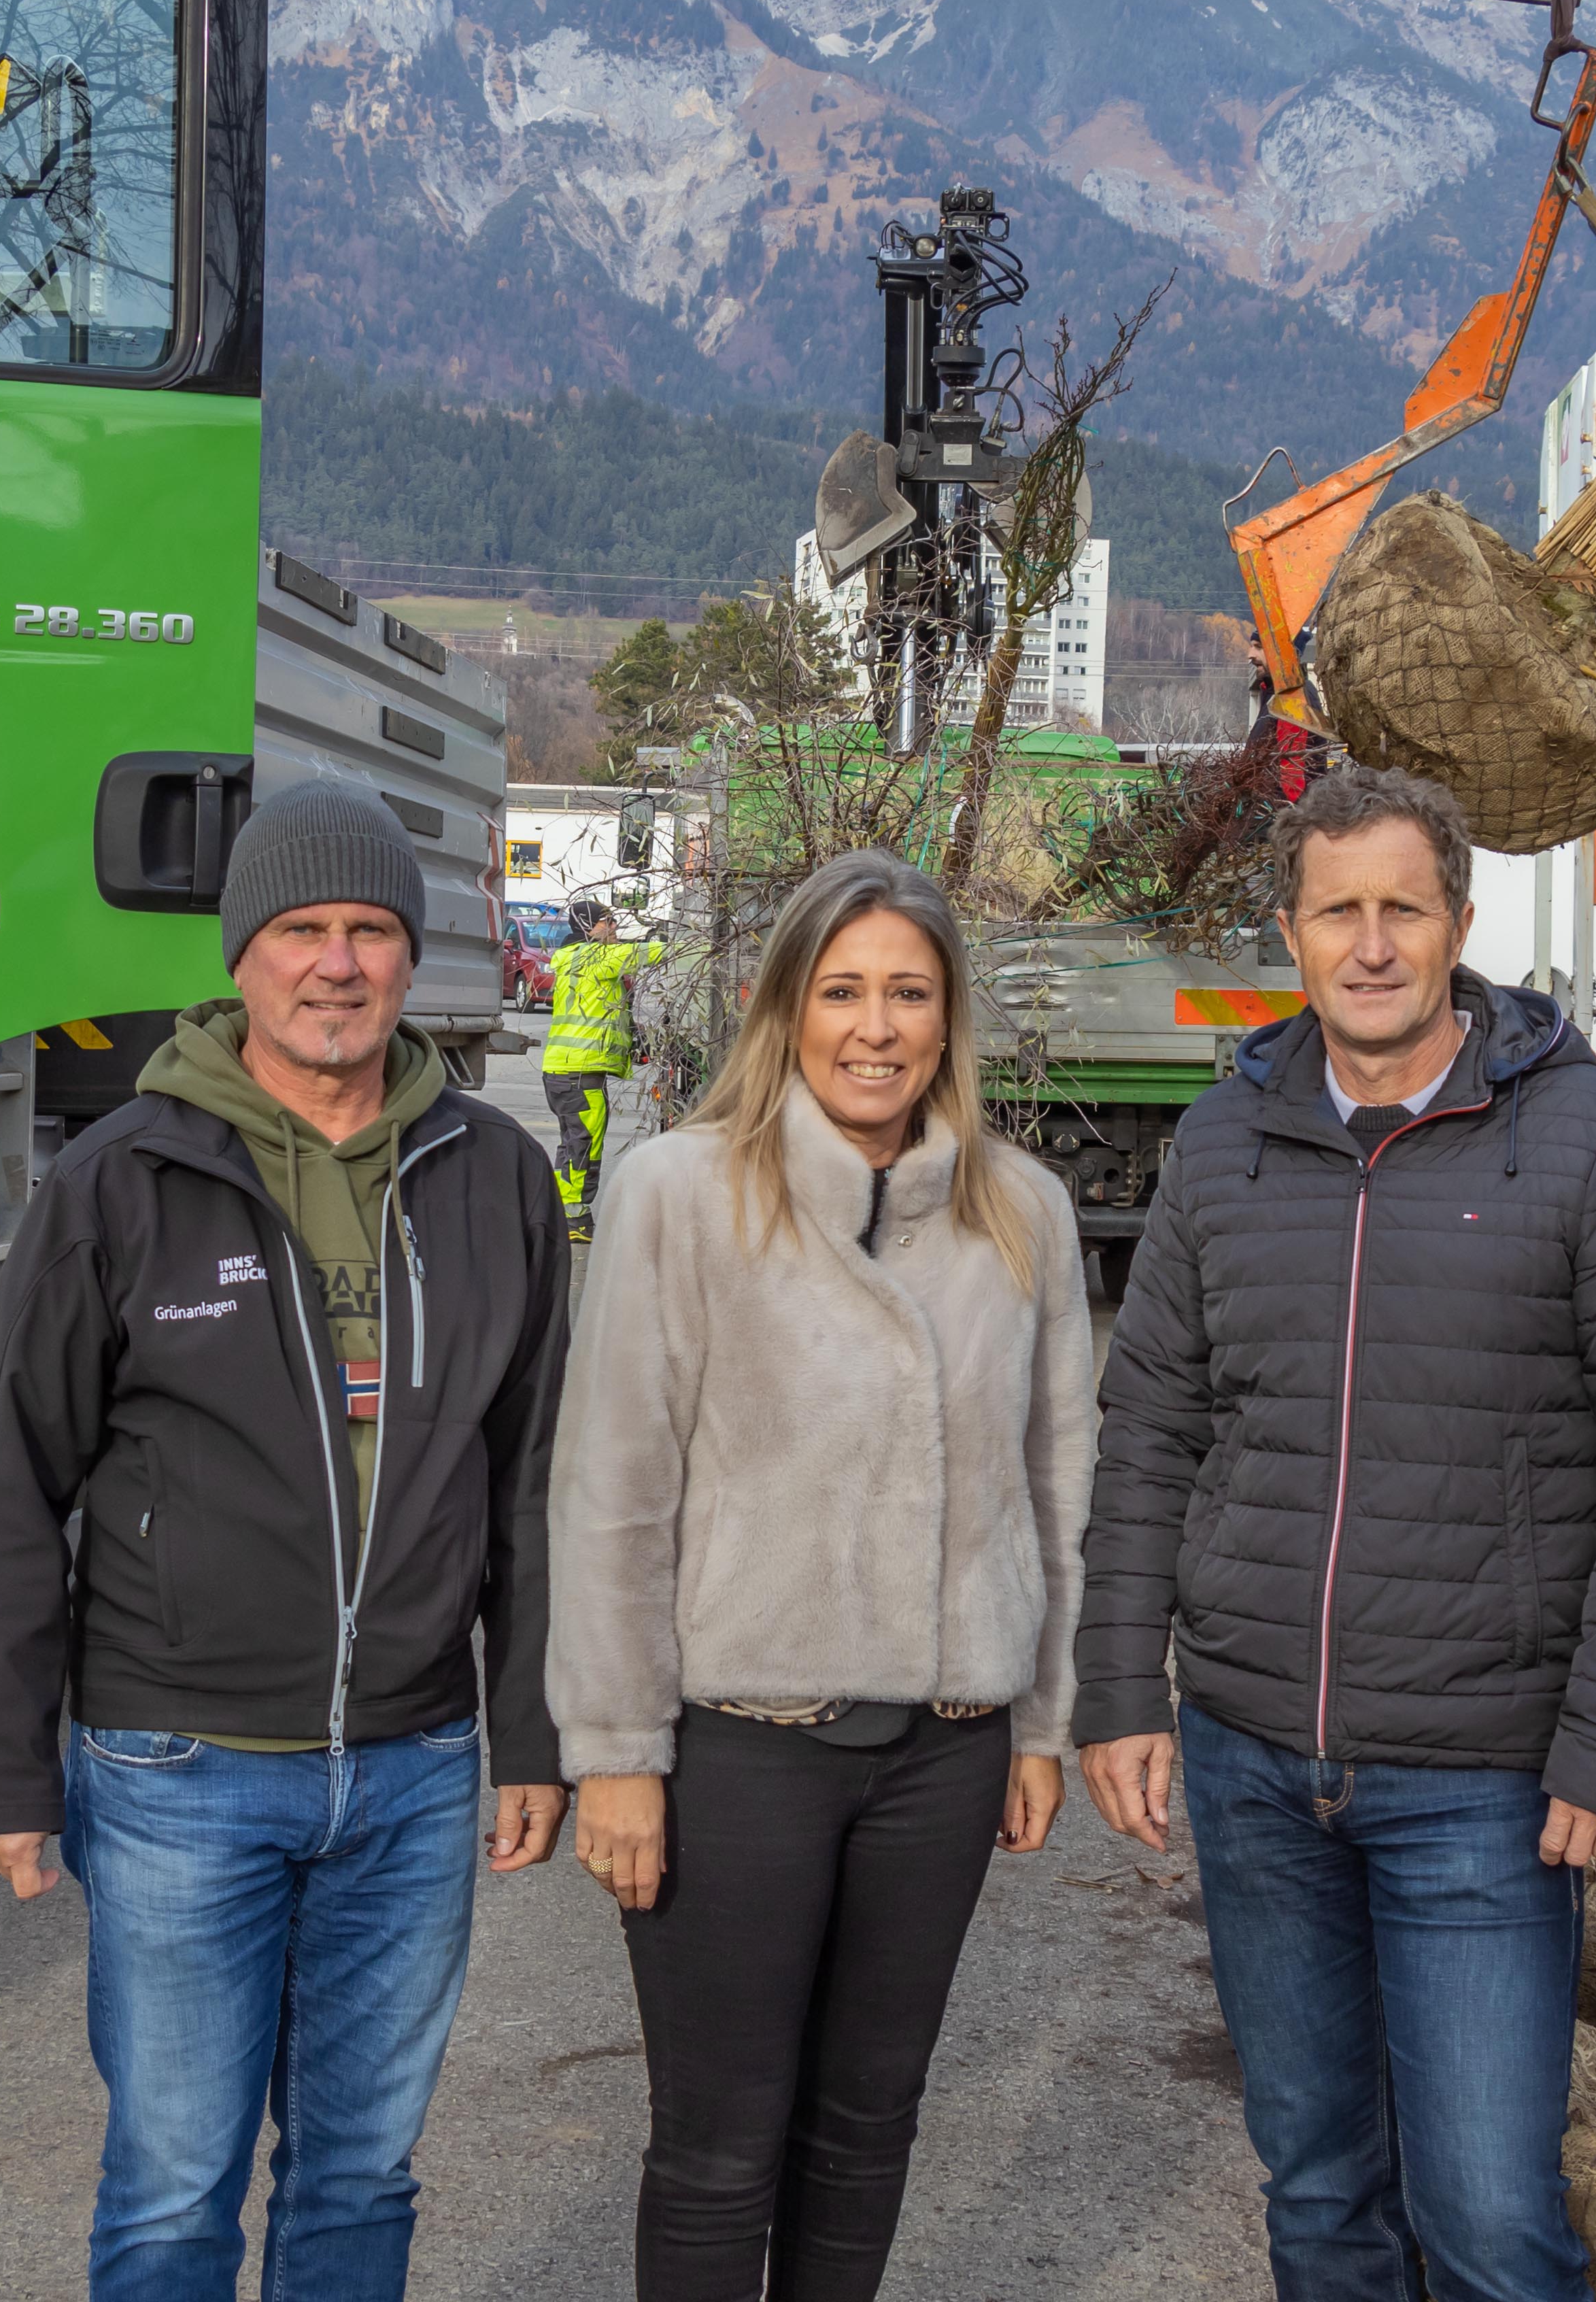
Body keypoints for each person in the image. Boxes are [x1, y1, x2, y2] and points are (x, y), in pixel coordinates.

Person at [1075, 766, 1596, 2302]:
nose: (1370, 946)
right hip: (1251, 1760)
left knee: (1491, 2217)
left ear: (1460, 923)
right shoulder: (1224, 1144)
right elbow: (1152, 1425)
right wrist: (1117, 1688)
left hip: (1481, 1776)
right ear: (1290, 931)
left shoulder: (1592, 1144)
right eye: (1337, 912)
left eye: (1402, 909)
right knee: (1317, 2188)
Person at [0, 780, 573, 2302]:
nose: (336, 964)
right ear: (242, 955)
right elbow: (7, 1480)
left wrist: (535, 1733)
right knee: (174, 2185)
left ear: (410, 955)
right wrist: (2, 1766)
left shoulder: (494, 1173)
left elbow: (537, 1478)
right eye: (301, 930)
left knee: (362, 2175)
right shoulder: (124, 1179)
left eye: (368, 930)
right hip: (181, 1769)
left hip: (414, 1770)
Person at [551, 849, 1096, 2302]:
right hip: (741, 1754)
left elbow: (1058, 1483)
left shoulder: (1020, 1211)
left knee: (868, 2130)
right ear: (785, 1005)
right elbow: (612, 1495)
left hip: (946, 1757)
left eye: (909, 992)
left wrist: (1041, 1722)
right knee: (720, 2147)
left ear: (948, 1015)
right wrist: (615, 1752)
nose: (876, 1026)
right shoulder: (680, 1193)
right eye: (843, 990)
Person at [545, 896, 668, 1244]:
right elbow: (653, 953)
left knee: (572, 1145)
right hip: (579, 1071)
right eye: (608, 921)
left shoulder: (572, 957)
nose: (614, 927)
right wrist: (667, 937)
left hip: (565, 1069)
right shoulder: (598, 958)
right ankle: (575, 1220)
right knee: (583, 1147)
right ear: (589, 927)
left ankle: (562, 1212)